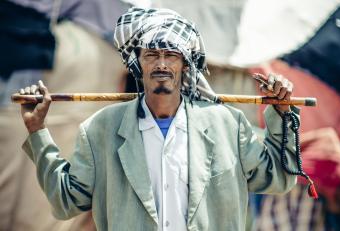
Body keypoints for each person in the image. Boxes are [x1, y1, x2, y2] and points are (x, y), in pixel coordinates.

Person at [19, 8, 299, 231]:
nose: (162, 64)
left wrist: (282, 113)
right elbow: (66, 201)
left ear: (186, 64)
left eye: (171, 55)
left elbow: (280, 179)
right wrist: (38, 132)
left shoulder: (227, 125)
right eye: (151, 54)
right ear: (137, 63)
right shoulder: (101, 129)